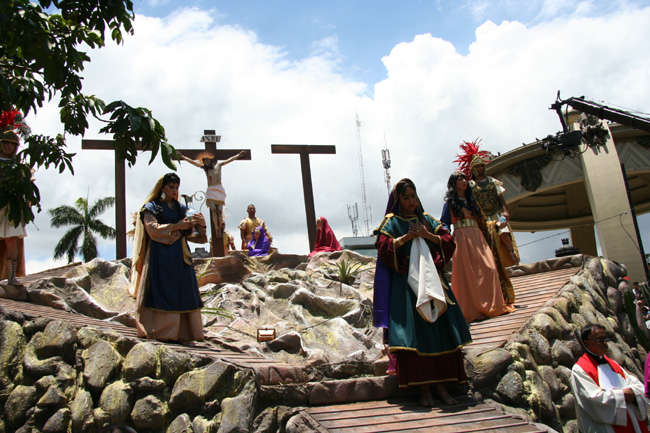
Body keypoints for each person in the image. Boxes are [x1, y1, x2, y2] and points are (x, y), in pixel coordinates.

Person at [373, 178, 472, 407]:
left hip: (434, 282)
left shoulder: (427, 220)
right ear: (398, 200)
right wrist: (408, 237)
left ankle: (443, 386)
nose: (410, 201)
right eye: (405, 198)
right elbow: (384, 248)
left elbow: (448, 242)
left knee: (440, 330)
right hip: (407, 286)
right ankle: (424, 389)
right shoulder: (392, 222)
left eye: (413, 196)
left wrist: (426, 234)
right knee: (417, 335)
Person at [130, 173, 207, 342]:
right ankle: (160, 330)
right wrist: (176, 226)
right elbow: (153, 229)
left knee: (184, 290)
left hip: (180, 255)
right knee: (162, 289)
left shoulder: (181, 208)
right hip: (160, 255)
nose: (175, 190)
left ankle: (185, 332)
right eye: (171, 187)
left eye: (177, 187)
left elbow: (193, 235)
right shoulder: (151, 208)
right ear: (162, 188)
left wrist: (201, 225)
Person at [441, 171, 514, 323]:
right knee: (467, 274)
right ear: (454, 184)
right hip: (461, 238)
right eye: (460, 179)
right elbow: (444, 222)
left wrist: (496, 224)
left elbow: (483, 221)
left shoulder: (472, 200)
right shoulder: (449, 204)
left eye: (464, 178)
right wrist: (445, 230)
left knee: (489, 268)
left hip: (477, 236)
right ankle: (472, 310)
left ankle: (492, 305)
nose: (464, 181)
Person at [455, 140, 519, 303]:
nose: (480, 169)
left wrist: (505, 210)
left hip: (496, 215)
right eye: (477, 167)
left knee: (503, 236)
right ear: (473, 169)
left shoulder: (492, 181)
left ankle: (512, 257)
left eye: (482, 166)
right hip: (482, 219)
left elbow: (500, 198)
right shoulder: (470, 185)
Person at [571, 324, 649, 433]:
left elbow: (638, 385)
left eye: (605, 339)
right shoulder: (580, 370)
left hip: (632, 423)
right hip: (606, 427)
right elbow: (593, 400)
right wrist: (624, 395)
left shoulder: (612, 363)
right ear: (587, 343)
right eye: (600, 340)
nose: (604, 343)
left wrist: (633, 393)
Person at [177, 150, 246, 238]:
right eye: (205, 162)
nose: (206, 163)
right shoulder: (206, 170)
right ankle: (216, 230)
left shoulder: (219, 165)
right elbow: (194, 163)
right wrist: (183, 157)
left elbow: (229, 160)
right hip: (211, 190)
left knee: (219, 212)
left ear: (210, 160)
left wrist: (238, 155)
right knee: (214, 210)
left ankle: (220, 229)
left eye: (207, 161)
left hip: (219, 190)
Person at [0, 118, 28, 286]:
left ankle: (11, 278)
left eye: (12, 144)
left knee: (11, 240)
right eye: (7, 143)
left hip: (12, 207)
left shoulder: (18, 164)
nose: (9, 146)